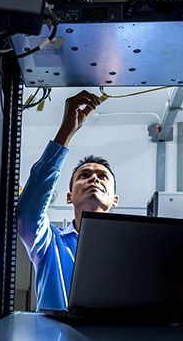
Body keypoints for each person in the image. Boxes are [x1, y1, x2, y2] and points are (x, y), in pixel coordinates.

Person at [17, 90, 120, 311]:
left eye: (102, 176)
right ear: (69, 196)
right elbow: (27, 215)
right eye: (84, 175)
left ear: (114, 199)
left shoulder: (128, 247)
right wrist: (66, 132)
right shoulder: (50, 242)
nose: (93, 177)